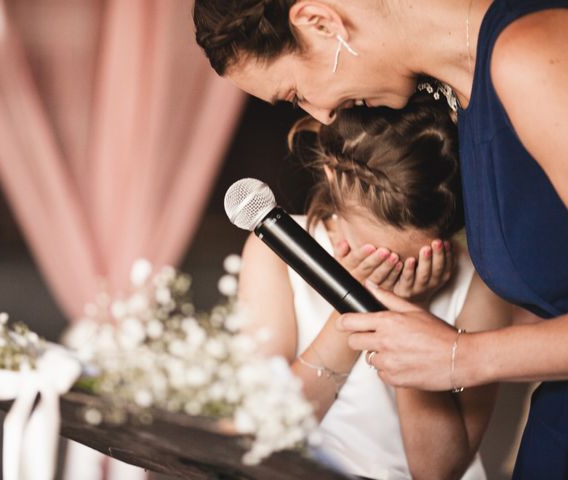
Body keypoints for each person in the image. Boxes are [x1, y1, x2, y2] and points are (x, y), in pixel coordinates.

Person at [194, 0, 568, 476]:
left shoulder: (529, 55)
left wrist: (460, 357)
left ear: (320, 21)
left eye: (295, 93)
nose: (323, 116)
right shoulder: (460, 106)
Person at [238, 93, 512, 479]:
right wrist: (348, 308)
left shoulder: (479, 281)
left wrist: (407, 313)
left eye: (410, 258)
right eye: (380, 254)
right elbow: (266, 433)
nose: (395, 269)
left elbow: (437, 471)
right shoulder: (275, 253)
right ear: (333, 175)